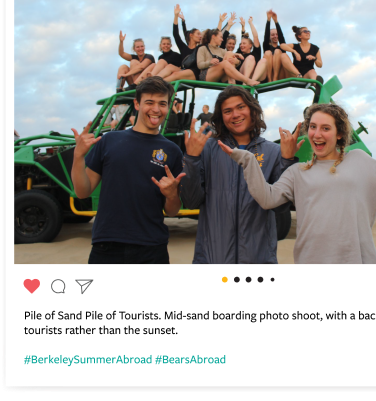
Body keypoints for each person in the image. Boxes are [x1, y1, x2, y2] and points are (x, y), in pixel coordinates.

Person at [218, 103, 376, 264]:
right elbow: (267, 198)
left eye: (325, 128)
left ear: (339, 133)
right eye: (313, 127)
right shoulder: (297, 172)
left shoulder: (361, 161)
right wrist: (249, 162)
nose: (317, 134)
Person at [71, 77, 185, 264]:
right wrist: (78, 156)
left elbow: (172, 211)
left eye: (162, 104)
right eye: (149, 102)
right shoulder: (109, 141)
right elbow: (82, 192)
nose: (156, 109)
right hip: (106, 245)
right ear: (137, 104)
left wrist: (172, 195)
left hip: (152, 246)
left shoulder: (172, 151)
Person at [180, 85, 299, 264]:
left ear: (252, 110)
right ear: (221, 117)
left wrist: (287, 161)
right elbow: (190, 201)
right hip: (212, 259)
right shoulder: (208, 149)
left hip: (258, 260)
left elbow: (280, 208)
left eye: (241, 107)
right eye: (227, 111)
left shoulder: (273, 152)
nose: (235, 115)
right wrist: (191, 158)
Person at [164, 29, 259, 86]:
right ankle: (246, 80)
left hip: (220, 76)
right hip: (205, 75)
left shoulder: (221, 51)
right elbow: (200, 65)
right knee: (226, 61)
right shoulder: (203, 48)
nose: (222, 39)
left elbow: (235, 63)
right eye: (221, 37)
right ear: (213, 37)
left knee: (230, 53)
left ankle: (232, 83)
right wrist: (210, 62)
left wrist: (236, 59)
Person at [236, 17, 268, 83]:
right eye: (240, 44)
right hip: (242, 77)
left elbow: (255, 37)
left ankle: (251, 81)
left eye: (244, 43)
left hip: (255, 77)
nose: (241, 45)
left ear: (250, 45)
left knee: (264, 60)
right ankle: (246, 82)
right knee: (250, 58)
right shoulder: (239, 54)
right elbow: (243, 37)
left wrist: (250, 23)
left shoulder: (255, 52)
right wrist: (243, 28)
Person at [263, 10, 287, 82]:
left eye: (277, 34)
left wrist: (276, 21)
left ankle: (275, 77)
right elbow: (266, 36)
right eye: (273, 35)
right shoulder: (267, 46)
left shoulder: (281, 47)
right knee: (267, 53)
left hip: (280, 74)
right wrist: (268, 20)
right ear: (270, 37)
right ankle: (269, 79)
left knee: (277, 51)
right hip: (269, 73)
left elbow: (282, 38)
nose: (275, 36)